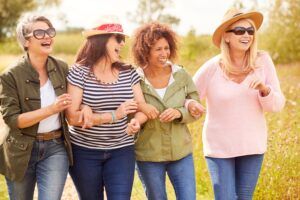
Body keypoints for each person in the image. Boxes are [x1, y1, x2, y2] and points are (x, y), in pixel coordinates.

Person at [188, 8, 286, 200]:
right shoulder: (212, 67)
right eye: (239, 30)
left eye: (250, 31)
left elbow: (277, 104)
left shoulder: (263, 62)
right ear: (226, 37)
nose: (246, 35)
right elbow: (186, 95)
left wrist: (264, 90)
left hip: (252, 146)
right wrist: (191, 103)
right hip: (219, 149)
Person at [66, 16, 144, 200]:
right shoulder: (79, 72)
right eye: (118, 38)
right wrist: (113, 116)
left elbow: (140, 108)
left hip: (121, 150)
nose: (122, 43)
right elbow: (72, 117)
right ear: (101, 41)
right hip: (84, 152)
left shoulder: (129, 72)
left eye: (123, 39)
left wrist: (136, 121)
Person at [0, 14, 73, 200]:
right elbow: (14, 120)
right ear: (26, 41)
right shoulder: (10, 76)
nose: (47, 36)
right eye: (39, 33)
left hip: (55, 147)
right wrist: (52, 109)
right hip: (20, 150)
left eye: (49, 31)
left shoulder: (62, 68)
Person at [131, 22, 202, 200]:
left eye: (166, 48)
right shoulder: (135, 79)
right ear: (145, 51)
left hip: (181, 153)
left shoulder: (181, 75)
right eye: (158, 49)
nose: (164, 54)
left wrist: (179, 113)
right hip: (149, 155)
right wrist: (140, 113)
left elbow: (195, 106)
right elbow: (131, 111)